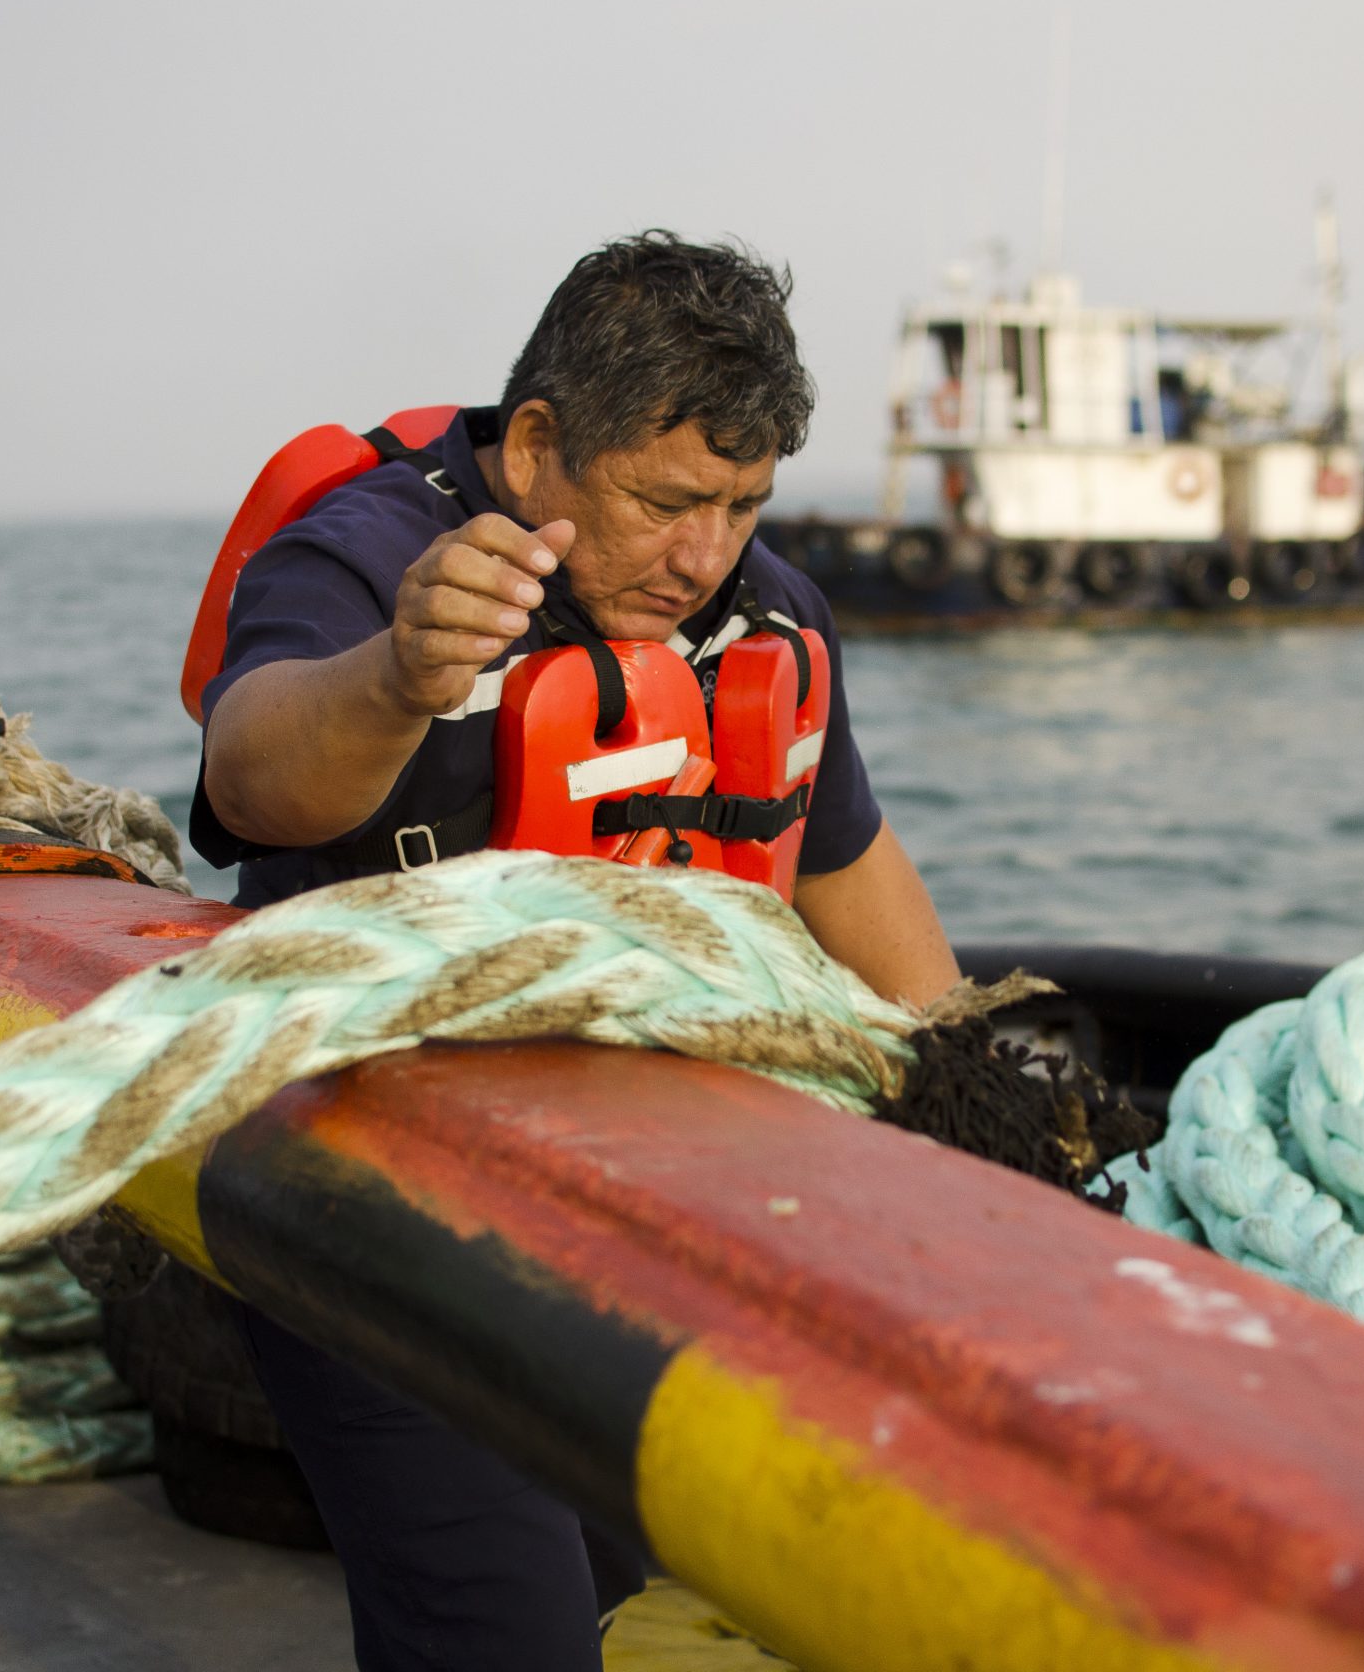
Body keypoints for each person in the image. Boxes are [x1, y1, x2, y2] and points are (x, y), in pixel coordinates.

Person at [189, 231, 959, 1670]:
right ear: (538, 449)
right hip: (368, 1190)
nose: (704, 554)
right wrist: (398, 675)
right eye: (669, 501)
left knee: (655, 1600)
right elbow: (251, 782)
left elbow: (840, 853)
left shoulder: (770, 609)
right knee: (502, 1628)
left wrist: (969, 1084)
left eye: (742, 506)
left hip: (645, 1198)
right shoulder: (361, 560)